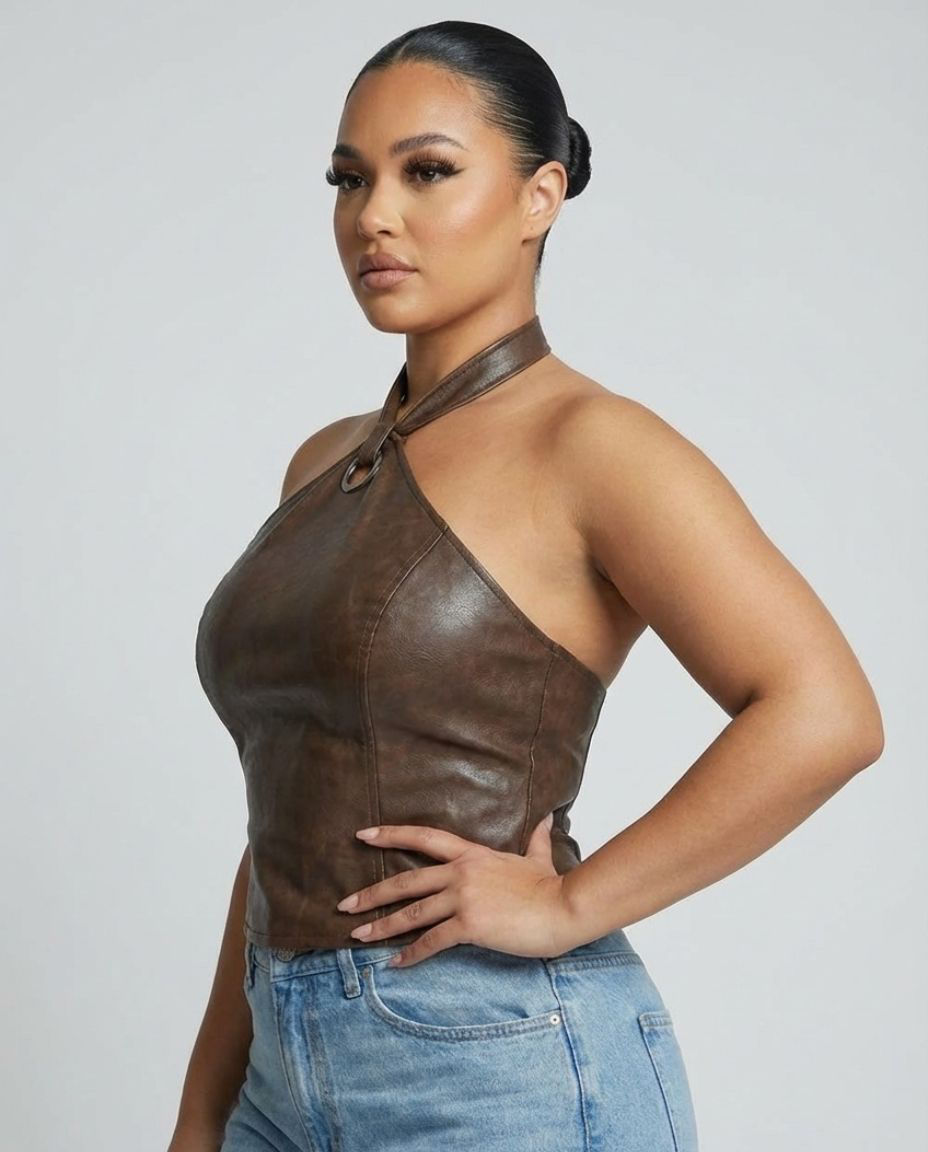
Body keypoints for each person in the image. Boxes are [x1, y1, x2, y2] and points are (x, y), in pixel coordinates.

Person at [168, 20, 884, 1152]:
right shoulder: (322, 462)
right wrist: (204, 1110)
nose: (373, 216)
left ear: (540, 197)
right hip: (279, 1070)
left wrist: (566, 904)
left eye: (427, 171)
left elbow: (826, 713)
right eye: (349, 179)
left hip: (496, 1063)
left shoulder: (593, 445)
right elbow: (283, 813)